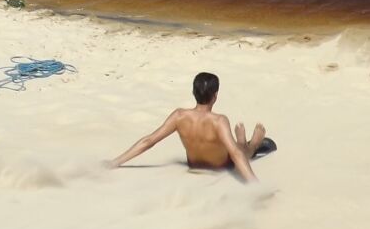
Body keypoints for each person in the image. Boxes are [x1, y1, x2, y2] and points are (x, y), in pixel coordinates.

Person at [106, 72, 274, 182]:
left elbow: (149, 140)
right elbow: (236, 155)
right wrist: (255, 186)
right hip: (221, 166)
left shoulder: (179, 116)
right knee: (241, 151)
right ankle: (250, 144)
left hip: (195, 165)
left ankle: (243, 141)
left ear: (194, 93)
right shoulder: (219, 121)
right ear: (215, 96)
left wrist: (115, 162)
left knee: (232, 147)